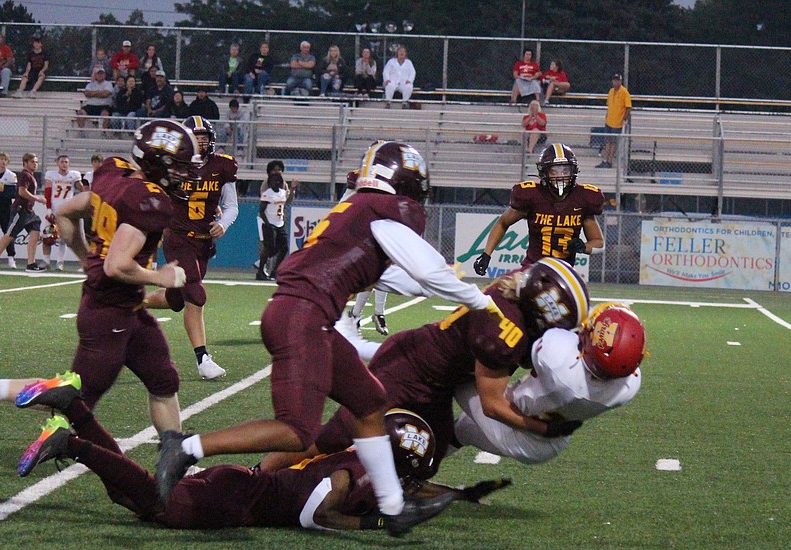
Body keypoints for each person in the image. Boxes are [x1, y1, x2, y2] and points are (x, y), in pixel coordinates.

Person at [154, 140, 509, 523]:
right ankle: (185, 446)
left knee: (371, 402)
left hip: (307, 314)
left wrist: (449, 288)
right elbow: (425, 269)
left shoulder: (361, 210)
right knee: (295, 431)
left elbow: (399, 277)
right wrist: (482, 302)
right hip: (303, 315)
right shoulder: (383, 210)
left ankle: (393, 507)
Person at [0, 121, 203, 441]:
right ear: (158, 163)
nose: (185, 175)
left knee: (163, 382)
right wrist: (159, 275)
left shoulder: (114, 171)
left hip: (128, 309)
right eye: (180, 167)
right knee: (73, 399)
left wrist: (84, 256)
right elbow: (117, 265)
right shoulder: (149, 201)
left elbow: (64, 212)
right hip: (109, 312)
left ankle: (175, 454)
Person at [17, 401, 501, 537]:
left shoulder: (365, 466)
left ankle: (77, 412)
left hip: (241, 485)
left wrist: (458, 494)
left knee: (131, 496)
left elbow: (410, 486)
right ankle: (71, 442)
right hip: (240, 499)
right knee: (147, 500)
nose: (413, 485)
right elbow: (318, 514)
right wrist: (375, 524)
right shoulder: (350, 475)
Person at [308, 259, 591, 478]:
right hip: (410, 368)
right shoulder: (506, 332)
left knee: (426, 461)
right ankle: (268, 474)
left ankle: (359, 482)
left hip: (441, 381)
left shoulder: (517, 289)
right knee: (335, 436)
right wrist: (541, 429)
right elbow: (492, 406)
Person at [454, 303, 645, 464]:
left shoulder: (557, 357)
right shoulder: (629, 386)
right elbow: (611, 351)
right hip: (553, 443)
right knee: (461, 430)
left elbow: (519, 350)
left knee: (451, 369)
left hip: (516, 425)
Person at [142, 116, 238, 381]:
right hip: (178, 237)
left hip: (204, 241)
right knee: (196, 293)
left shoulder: (222, 166)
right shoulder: (171, 164)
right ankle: (202, 359)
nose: (201, 142)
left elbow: (232, 205)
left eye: (204, 137)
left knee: (176, 300)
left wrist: (223, 224)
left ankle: (132, 302)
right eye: (195, 137)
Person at [473, 144, 604, 276]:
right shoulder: (533, 196)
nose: (560, 177)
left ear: (573, 171)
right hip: (532, 270)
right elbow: (503, 222)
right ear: (545, 172)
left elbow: (599, 242)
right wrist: (486, 254)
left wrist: (584, 247)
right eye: (554, 172)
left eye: (565, 171)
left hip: (563, 273)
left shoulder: (583, 198)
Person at [0, 152, 45, 272]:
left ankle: (31, 263)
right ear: (26, 163)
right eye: (32, 162)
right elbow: (22, 192)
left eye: (36, 162)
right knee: (10, 235)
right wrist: (37, 198)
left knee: (35, 231)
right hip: (20, 209)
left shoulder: (30, 176)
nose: (35, 164)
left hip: (28, 210)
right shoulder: (24, 175)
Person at [40, 154, 83, 272]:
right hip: (54, 209)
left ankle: (60, 262)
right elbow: (48, 192)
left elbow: (82, 189)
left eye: (66, 162)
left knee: (63, 238)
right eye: (62, 162)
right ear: (57, 163)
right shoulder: (51, 175)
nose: (64, 164)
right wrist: (48, 210)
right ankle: (46, 261)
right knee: (47, 236)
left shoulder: (74, 175)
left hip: (67, 211)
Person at [257, 171, 291, 280]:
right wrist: (268, 225)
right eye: (274, 181)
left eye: (278, 181)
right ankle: (260, 271)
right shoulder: (267, 194)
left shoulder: (282, 192)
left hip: (279, 223)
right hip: (269, 223)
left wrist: (293, 189)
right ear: (270, 183)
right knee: (268, 248)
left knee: (284, 248)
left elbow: (287, 202)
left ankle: (275, 271)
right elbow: (262, 211)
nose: (276, 183)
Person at [598, 73, 631, 168]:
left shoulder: (624, 92)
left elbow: (628, 107)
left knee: (613, 142)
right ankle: (605, 160)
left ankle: (610, 160)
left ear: (620, 81)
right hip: (609, 120)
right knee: (607, 141)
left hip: (617, 122)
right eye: (614, 80)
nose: (616, 82)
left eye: (617, 80)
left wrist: (624, 118)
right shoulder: (611, 91)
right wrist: (607, 115)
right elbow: (609, 105)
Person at [76, 66, 114, 130]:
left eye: (102, 74)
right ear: (95, 75)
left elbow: (105, 94)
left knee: (106, 114)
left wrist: (93, 93)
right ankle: (81, 131)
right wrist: (99, 92)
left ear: (104, 75)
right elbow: (87, 93)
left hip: (103, 106)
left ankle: (103, 132)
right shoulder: (90, 84)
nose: (100, 75)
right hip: (91, 106)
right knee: (80, 112)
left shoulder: (108, 84)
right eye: (98, 74)